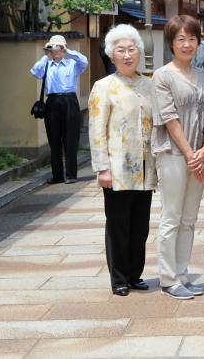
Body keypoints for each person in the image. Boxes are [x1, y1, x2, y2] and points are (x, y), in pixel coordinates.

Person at [88, 24, 156, 297]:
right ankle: (119, 278)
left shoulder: (149, 85)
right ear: (111, 55)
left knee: (140, 226)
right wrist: (102, 168)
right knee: (118, 225)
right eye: (120, 50)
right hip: (117, 170)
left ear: (138, 52)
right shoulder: (104, 87)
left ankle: (135, 274)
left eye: (131, 49)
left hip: (145, 169)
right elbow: (96, 130)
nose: (127, 55)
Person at [152, 15, 204, 300]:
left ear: (198, 42)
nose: (187, 44)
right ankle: (168, 278)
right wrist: (190, 154)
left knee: (189, 218)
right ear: (171, 43)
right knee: (172, 216)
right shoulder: (162, 76)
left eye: (192, 39)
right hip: (174, 153)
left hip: (199, 154)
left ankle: (182, 273)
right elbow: (169, 118)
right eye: (181, 39)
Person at [30, 34, 88, 184]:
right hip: (52, 102)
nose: (56, 50)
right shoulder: (46, 64)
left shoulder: (72, 64)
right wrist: (45, 55)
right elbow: (34, 72)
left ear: (63, 48)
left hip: (70, 101)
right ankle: (57, 176)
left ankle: (71, 175)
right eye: (53, 47)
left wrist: (67, 51)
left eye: (58, 47)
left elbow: (84, 62)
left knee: (71, 139)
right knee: (54, 140)